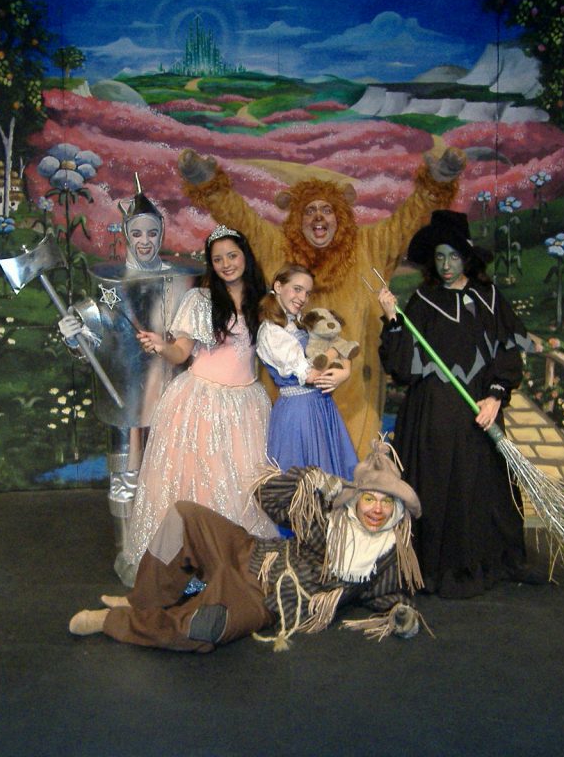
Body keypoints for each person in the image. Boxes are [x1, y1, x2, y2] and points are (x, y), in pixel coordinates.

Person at [177, 145, 466, 458]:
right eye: (309, 210)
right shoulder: (276, 247)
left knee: (354, 476)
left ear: (340, 215)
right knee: (296, 479)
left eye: (327, 210)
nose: (318, 217)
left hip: (354, 398)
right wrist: (208, 185)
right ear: (297, 219)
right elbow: (241, 219)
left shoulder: (368, 246)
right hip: (292, 402)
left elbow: (407, 222)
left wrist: (435, 184)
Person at [68, 438, 428, 652]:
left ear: (397, 511)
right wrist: (310, 481)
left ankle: (116, 621)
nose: (377, 509)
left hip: (263, 597)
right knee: (183, 516)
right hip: (251, 551)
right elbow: (266, 495)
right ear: (356, 501)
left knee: (203, 627)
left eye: (386, 503)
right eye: (370, 499)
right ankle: (144, 599)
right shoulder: (328, 518)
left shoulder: (388, 556)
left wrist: (402, 615)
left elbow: (389, 595)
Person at [377, 209, 538, 599]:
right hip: (431, 418)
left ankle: (480, 560)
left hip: (477, 415)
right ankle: (430, 566)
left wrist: (496, 397)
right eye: (439, 257)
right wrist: (393, 319)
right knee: (434, 487)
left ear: (467, 257)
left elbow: (508, 354)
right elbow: (403, 367)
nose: (446, 265)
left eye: (453, 256)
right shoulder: (423, 301)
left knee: (478, 487)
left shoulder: (490, 298)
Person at [116, 225, 280, 587]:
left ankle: (235, 567)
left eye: (232, 255)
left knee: (241, 487)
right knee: (197, 484)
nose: (226, 264)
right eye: (218, 259)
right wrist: (162, 346)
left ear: (245, 256)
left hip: (246, 407)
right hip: (200, 402)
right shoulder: (200, 300)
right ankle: (189, 570)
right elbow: (180, 353)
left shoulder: (264, 303)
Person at [58, 176, 202, 584]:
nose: (145, 241)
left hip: (173, 396)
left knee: (174, 476)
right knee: (125, 479)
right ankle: (127, 551)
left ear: (161, 234)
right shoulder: (109, 282)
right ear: (125, 234)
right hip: (124, 398)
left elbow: (197, 332)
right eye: (137, 233)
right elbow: (92, 334)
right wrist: (74, 334)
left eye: (152, 233)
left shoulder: (183, 279)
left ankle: (170, 551)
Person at [256, 264, 358, 479]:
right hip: (300, 413)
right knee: (305, 479)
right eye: (297, 289)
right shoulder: (272, 332)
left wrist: (345, 372)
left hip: (321, 407)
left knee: (328, 476)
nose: (302, 298)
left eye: (307, 293)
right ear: (278, 287)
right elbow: (311, 375)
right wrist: (335, 351)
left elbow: (342, 347)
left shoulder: (300, 322)